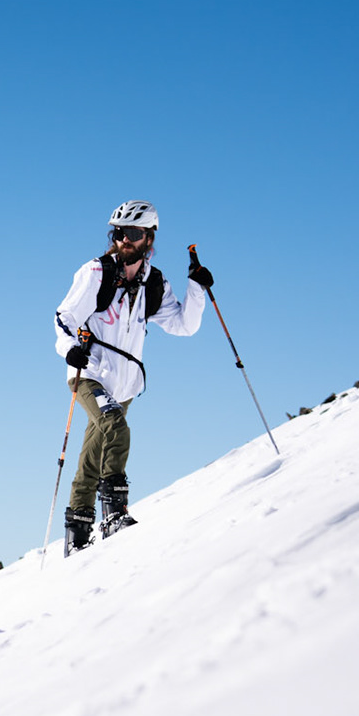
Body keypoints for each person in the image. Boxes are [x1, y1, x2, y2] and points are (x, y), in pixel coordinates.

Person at [53, 200, 214, 552]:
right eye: (119, 232)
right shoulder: (96, 273)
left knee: (95, 449)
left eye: (133, 233)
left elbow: (184, 325)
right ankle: (114, 513)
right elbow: (65, 317)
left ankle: (77, 530)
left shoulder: (154, 283)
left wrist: (196, 288)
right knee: (114, 426)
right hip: (89, 373)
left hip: (124, 384)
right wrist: (70, 349)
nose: (124, 239)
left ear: (149, 238)